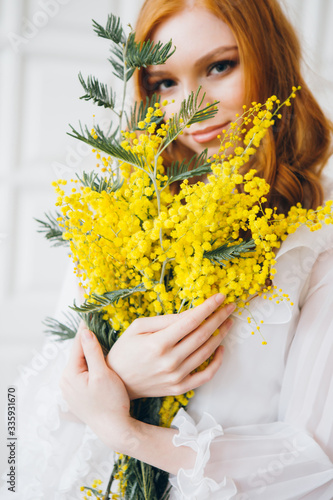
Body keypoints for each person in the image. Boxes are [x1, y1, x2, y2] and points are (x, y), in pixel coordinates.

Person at [2, 0, 333, 498]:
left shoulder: (317, 231)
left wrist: (128, 433)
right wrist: (118, 380)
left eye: (220, 66)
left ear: (271, 59)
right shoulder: (124, 214)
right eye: (165, 83)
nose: (191, 108)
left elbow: (314, 455)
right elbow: (28, 406)